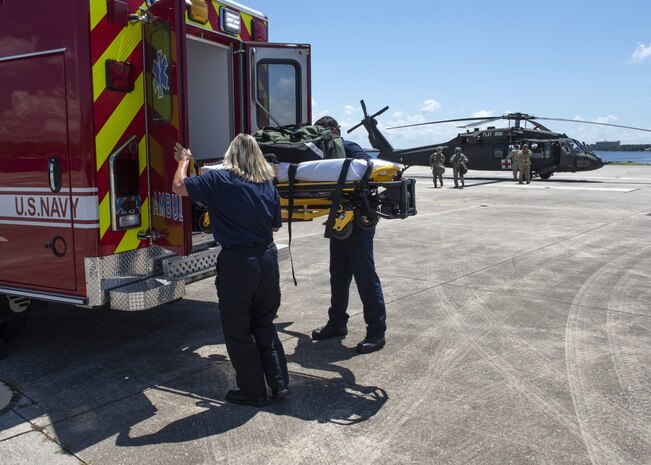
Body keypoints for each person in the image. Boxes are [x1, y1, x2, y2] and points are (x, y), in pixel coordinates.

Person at [172, 134, 289, 407]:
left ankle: (252, 391)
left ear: (231, 155)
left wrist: (184, 162)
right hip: (267, 260)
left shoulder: (219, 179)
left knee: (238, 328)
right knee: (264, 323)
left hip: (239, 262)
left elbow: (179, 187)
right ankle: (279, 383)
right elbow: (274, 226)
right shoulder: (268, 185)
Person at [311, 116, 387, 354]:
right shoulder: (321, 154)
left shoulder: (349, 147)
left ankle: (376, 332)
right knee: (338, 275)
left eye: (324, 132)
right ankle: (337, 324)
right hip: (337, 219)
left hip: (358, 220)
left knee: (365, 276)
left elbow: (367, 169)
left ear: (334, 131)